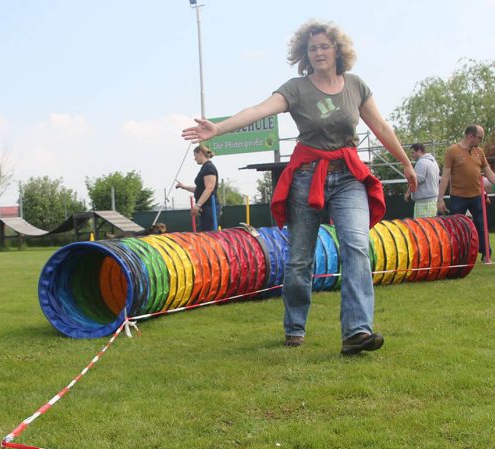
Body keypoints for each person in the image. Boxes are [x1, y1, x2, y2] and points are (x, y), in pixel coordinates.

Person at [182, 19, 417, 355]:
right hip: (307, 177)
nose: (319, 52)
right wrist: (217, 129)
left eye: (324, 46)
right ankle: (295, 326)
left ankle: (356, 331)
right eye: (312, 48)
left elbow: (380, 126)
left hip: (349, 176)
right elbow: (259, 110)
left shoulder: (356, 86)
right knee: (299, 259)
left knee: (356, 246)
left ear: (337, 49)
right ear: (305, 55)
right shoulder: (296, 88)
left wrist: (406, 162)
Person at [436, 124, 495, 259]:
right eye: (480, 138)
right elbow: (445, 176)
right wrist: (440, 198)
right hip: (458, 197)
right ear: (470, 136)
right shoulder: (452, 151)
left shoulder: (479, 152)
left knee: (482, 226)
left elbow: (490, 174)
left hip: (477, 197)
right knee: (456, 229)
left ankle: (486, 254)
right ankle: (456, 256)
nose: (481, 141)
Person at [175, 144, 220, 232]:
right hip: (205, 208)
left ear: (200, 153)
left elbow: (209, 188)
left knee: (208, 234)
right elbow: (200, 189)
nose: (194, 159)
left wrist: (197, 205)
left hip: (210, 207)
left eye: (195, 156)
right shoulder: (204, 168)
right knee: (204, 233)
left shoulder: (209, 168)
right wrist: (184, 187)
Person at [403, 143, 440, 218]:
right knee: (431, 226)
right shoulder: (434, 162)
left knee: (421, 227)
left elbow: (416, 180)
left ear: (419, 151)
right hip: (433, 201)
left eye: (413, 153)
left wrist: (407, 193)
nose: (412, 155)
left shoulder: (421, 162)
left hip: (424, 203)